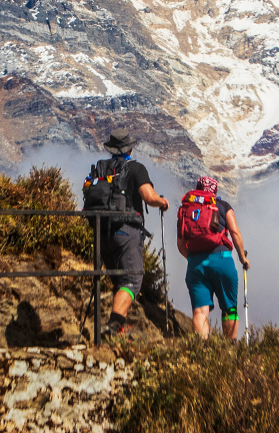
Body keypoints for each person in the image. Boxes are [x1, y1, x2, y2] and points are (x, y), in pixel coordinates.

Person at [89, 129, 169, 340]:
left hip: (101, 231)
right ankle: (114, 325)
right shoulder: (135, 168)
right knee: (132, 279)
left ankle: (119, 327)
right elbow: (148, 196)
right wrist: (162, 202)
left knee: (118, 279)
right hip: (126, 229)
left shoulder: (100, 168)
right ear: (130, 148)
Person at [177, 176, 248, 340]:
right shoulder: (223, 206)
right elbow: (235, 232)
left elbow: (181, 245)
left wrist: (194, 259)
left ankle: (202, 351)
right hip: (222, 259)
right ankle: (229, 351)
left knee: (200, 311)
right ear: (214, 191)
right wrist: (242, 258)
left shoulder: (186, 209)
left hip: (196, 265)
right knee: (229, 308)